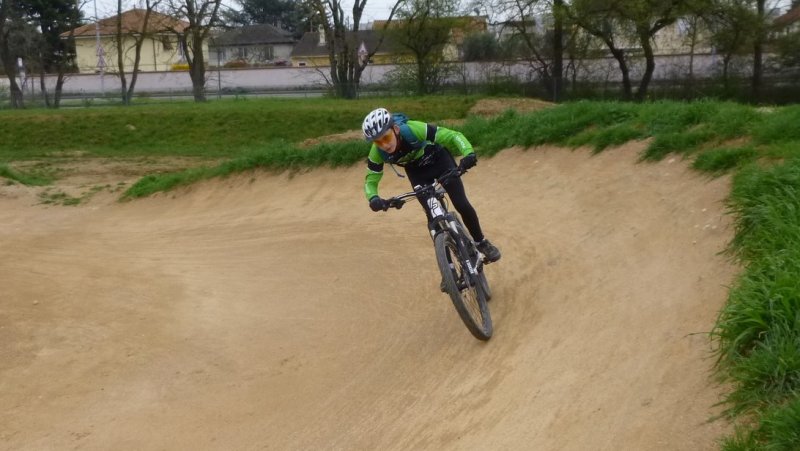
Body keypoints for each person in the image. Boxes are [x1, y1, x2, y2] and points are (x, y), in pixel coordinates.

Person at [362, 107, 501, 263]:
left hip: (439, 161)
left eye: (386, 138)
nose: (384, 145)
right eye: (378, 142)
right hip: (417, 173)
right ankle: (447, 268)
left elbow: (453, 136)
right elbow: (371, 180)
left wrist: (468, 153)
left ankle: (481, 242)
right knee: (432, 219)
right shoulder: (377, 152)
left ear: (395, 129)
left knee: (461, 203)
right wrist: (373, 197)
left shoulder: (413, 130)